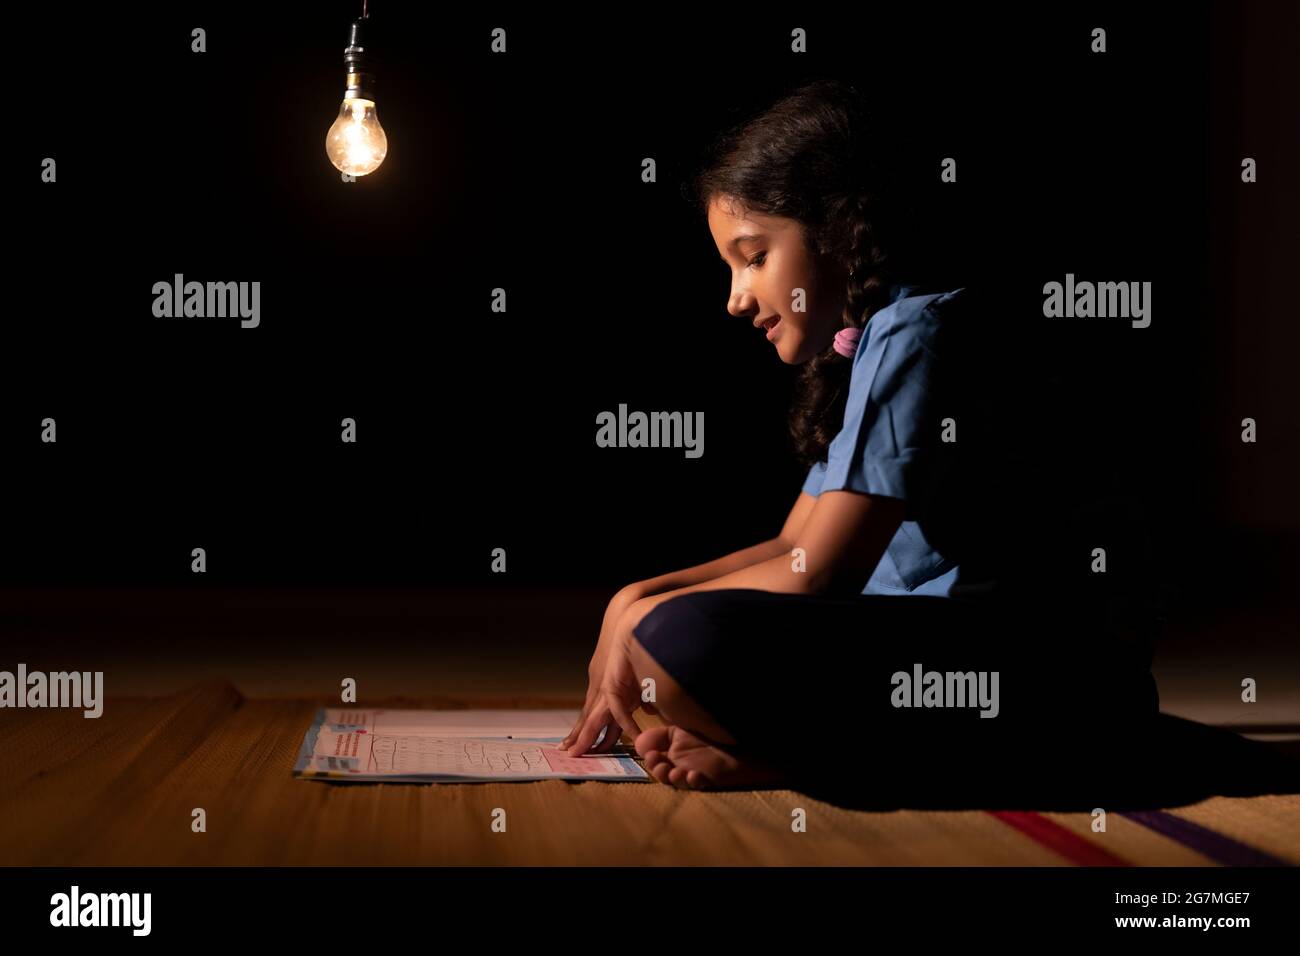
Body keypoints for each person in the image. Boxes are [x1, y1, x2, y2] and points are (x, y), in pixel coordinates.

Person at [559, 78, 1161, 791]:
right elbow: (792, 544)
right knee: (658, 632)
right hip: (941, 657)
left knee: (679, 645)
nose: (735, 298)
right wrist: (628, 599)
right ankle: (794, 743)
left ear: (838, 232)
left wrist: (645, 625)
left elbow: (821, 574)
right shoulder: (865, 344)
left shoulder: (919, 330)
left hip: (1047, 680)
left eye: (754, 257)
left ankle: (806, 753)